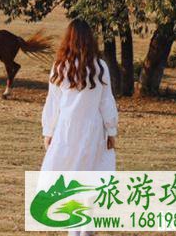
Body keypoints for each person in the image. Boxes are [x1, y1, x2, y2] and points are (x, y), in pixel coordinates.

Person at [40, 19, 119, 236]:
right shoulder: (100, 67)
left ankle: (76, 229)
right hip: (92, 129)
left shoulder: (59, 67)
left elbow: (53, 102)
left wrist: (49, 130)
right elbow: (106, 101)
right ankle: (86, 229)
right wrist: (111, 130)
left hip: (66, 130)